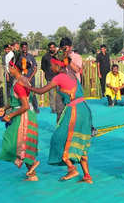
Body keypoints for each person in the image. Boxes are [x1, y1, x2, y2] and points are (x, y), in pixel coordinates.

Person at [25, 53, 93, 184]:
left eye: (51, 65)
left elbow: (41, 91)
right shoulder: (71, 74)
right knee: (79, 140)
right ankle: (87, 175)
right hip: (84, 109)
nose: (50, 68)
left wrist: (27, 86)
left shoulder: (60, 77)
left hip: (74, 111)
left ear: (57, 65)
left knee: (59, 137)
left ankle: (71, 168)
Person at [0, 55, 40, 181]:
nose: (8, 70)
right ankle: (32, 174)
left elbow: (25, 105)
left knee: (13, 143)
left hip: (23, 117)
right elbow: (16, 101)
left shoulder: (18, 84)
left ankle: (32, 166)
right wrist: (4, 108)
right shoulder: (24, 80)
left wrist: (9, 115)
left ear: (14, 67)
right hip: (24, 115)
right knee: (21, 145)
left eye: (9, 67)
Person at [19, 42, 40, 113]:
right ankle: (25, 109)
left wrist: (30, 78)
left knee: (33, 94)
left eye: (26, 47)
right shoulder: (19, 57)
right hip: (22, 80)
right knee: (23, 95)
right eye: (23, 47)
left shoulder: (31, 56)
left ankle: (36, 109)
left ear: (27, 47)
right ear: (21, 48)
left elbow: (35, 68)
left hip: (31, 79)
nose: (25, 49)